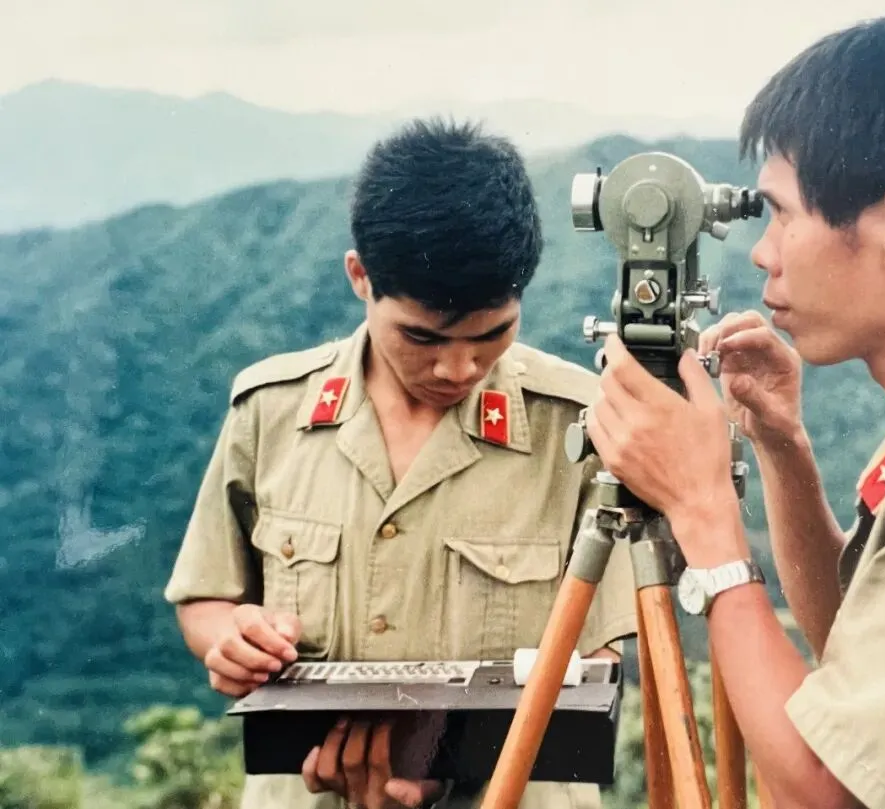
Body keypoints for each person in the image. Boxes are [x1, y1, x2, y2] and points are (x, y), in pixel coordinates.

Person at [584, 13, 885, 809]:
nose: (763, 251)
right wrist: (782, 448)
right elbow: (861, 660)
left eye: (783, 214)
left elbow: (830, 787)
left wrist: (704, 510)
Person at [163, 117, 638, 809]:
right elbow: (206, 594)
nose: (458, 368)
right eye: (422, 337)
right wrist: (228, 639)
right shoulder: (270, 411)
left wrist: (440, 762)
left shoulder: (579, 425)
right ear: (361, 277)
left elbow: (596, 663)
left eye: (492, 335)